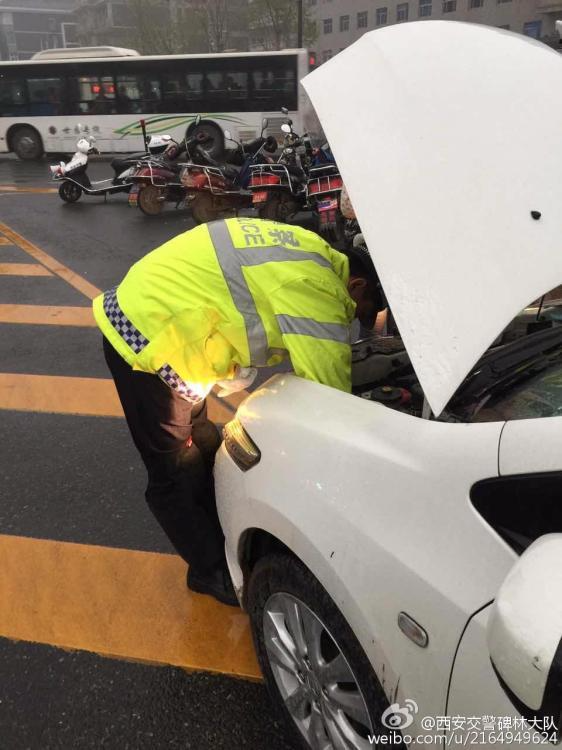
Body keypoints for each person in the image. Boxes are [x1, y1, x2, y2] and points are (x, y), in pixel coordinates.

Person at [93, 218, 384, 606]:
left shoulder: (311, 250)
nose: (355, 318)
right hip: (148, 335)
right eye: (362, 310)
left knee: (202, 441)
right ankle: (209, 572)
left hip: (168, 321)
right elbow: (329, 397)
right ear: (357, 285)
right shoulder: (319, 290)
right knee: (173, 467)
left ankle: (218, 536)